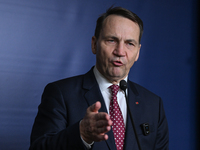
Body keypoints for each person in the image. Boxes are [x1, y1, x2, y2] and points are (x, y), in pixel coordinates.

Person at [29, 6, 169, 150]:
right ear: (94, 44)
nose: (120, 51)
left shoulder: (153, 105)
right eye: (112, 40)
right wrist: (81, 133)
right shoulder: (61, 93)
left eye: (129, 43)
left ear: (138, 52)